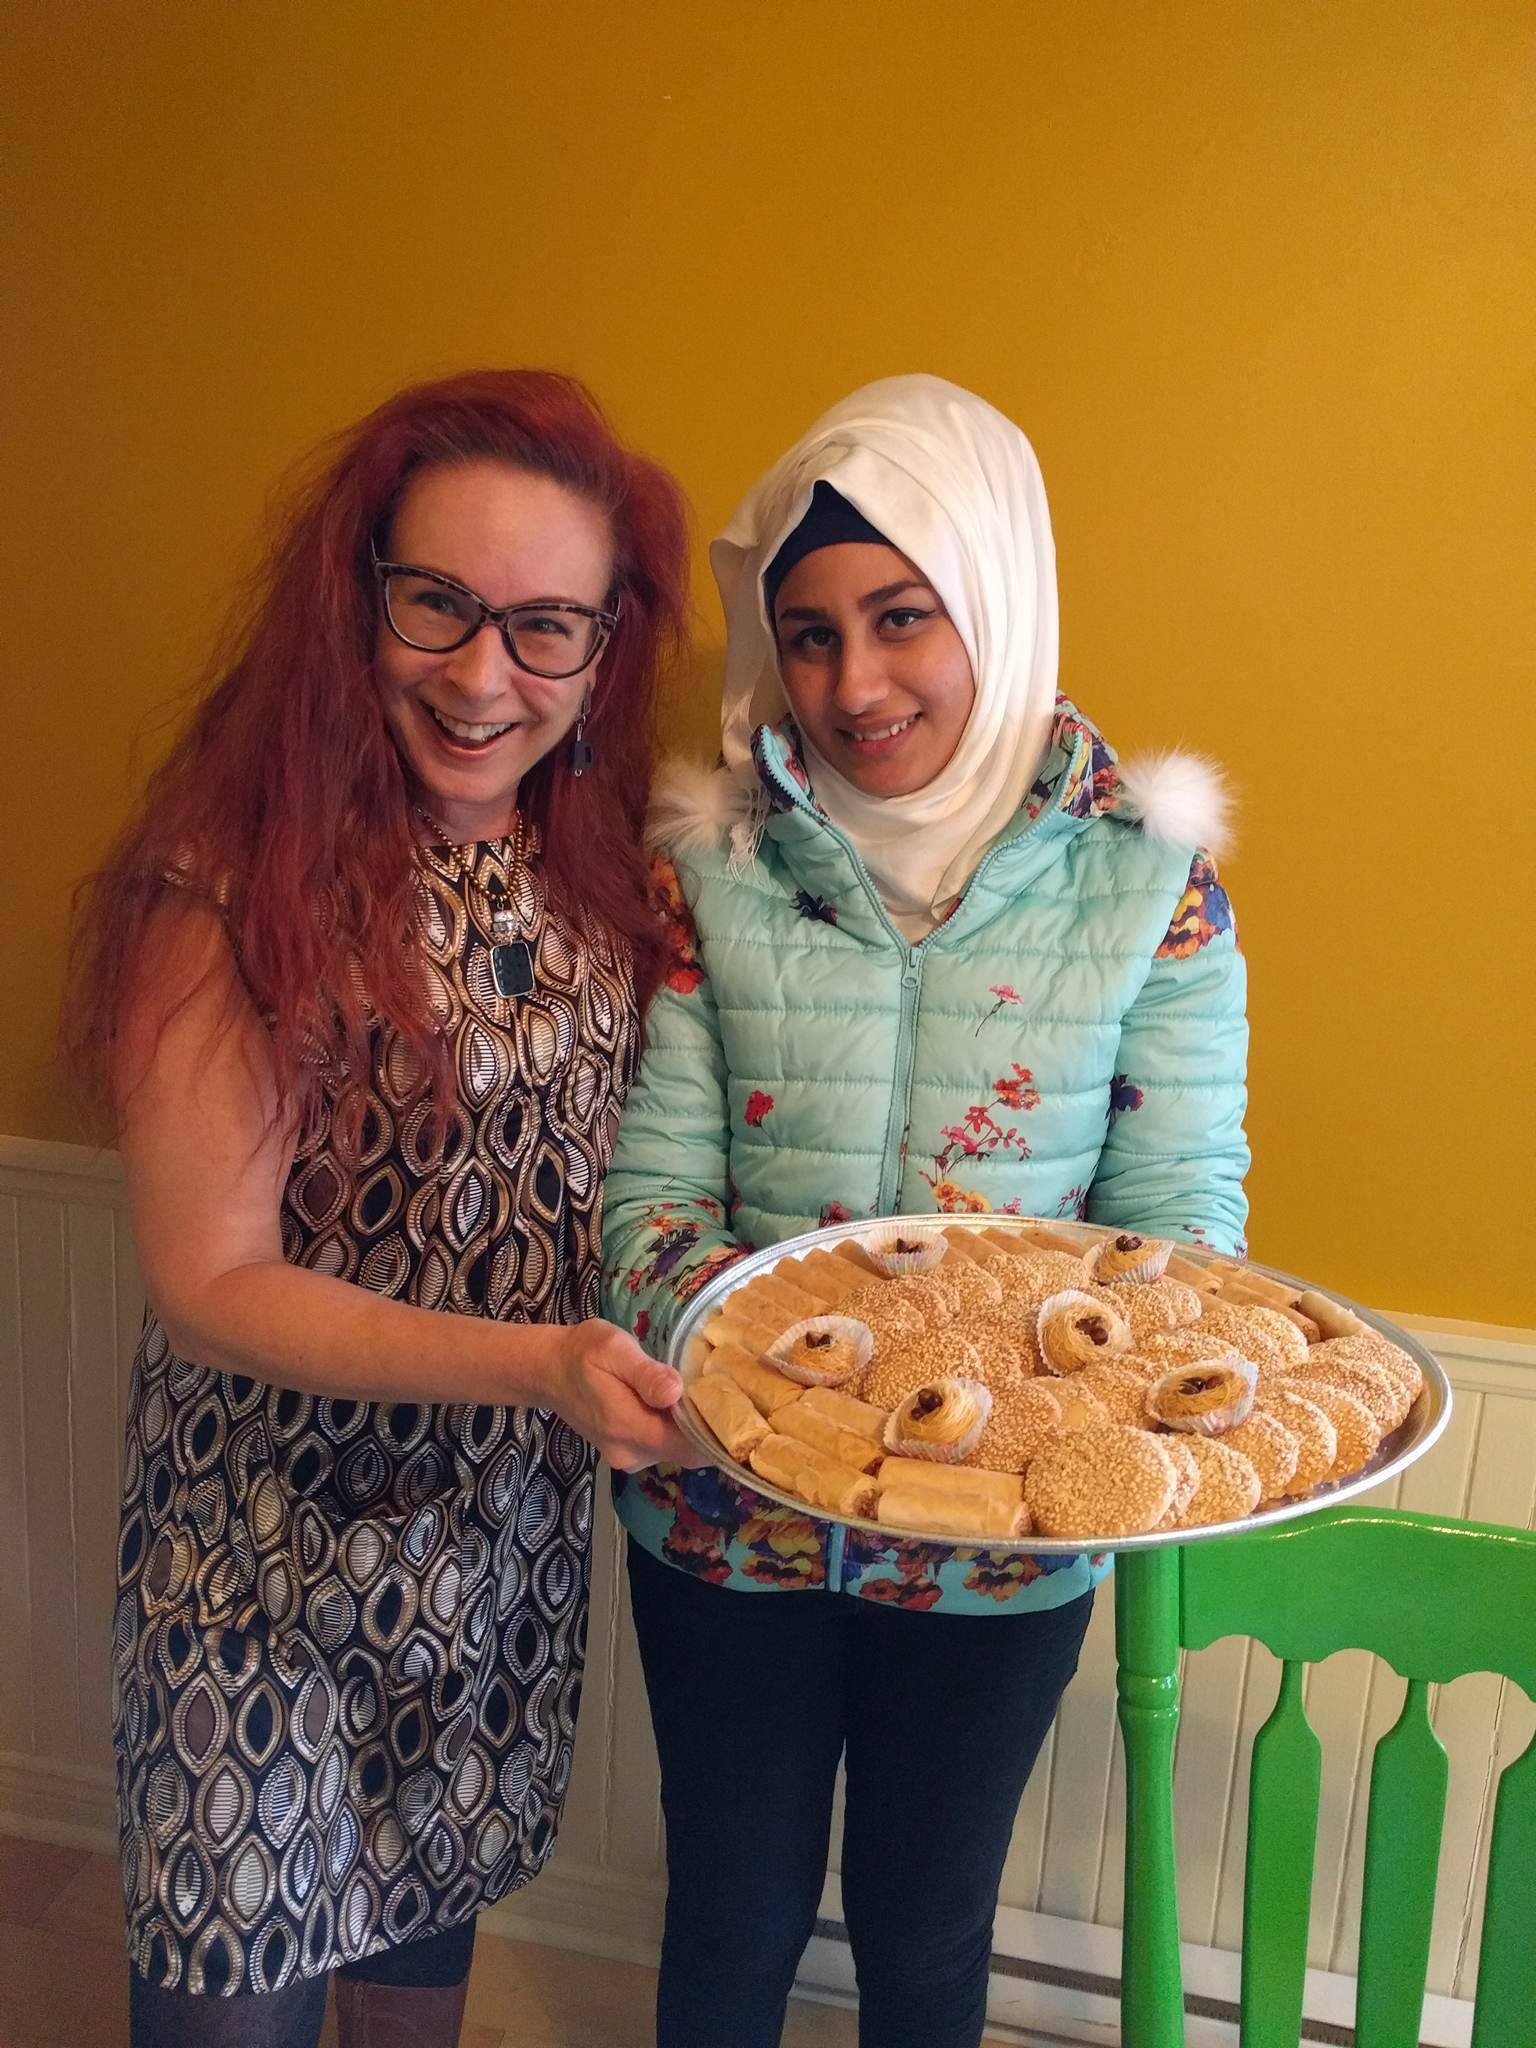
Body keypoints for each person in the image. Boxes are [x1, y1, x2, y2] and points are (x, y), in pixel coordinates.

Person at [601, 374, 1249, 2048]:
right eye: (807, 635)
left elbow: (1177, 1236)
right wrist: (790, 1411)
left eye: (903, 618)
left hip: (998, 1542)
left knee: (927, 1929)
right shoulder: (712, 867)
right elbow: (648, 1206)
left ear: (998, 601)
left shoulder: (1147, 886)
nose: (853, 686)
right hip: (723, 1514)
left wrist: (991, 1417)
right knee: (730, 1914)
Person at [62, 370, 699, 2048]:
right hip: (256, 1567)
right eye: (438, 603)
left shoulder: (596, 867)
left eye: (544, 628)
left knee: (417, 1986)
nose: (484, 677)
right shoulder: (226, 879)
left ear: (604, 649)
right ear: (359, 595)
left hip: (491, 1561)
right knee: (233, 2002)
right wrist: (540, 1366)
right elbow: (211, 1279)